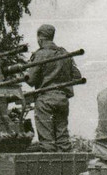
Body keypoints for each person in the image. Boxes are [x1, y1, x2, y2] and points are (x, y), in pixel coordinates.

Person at [26, 23, 80, 152]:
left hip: (45, 100)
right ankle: (68, 169)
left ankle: (50, 169)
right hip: (62, 99)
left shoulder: (40, 54)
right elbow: (77, 76)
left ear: (40, 38)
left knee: (47, 141)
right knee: (63, 140)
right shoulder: (64, 53)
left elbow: (31, 80)